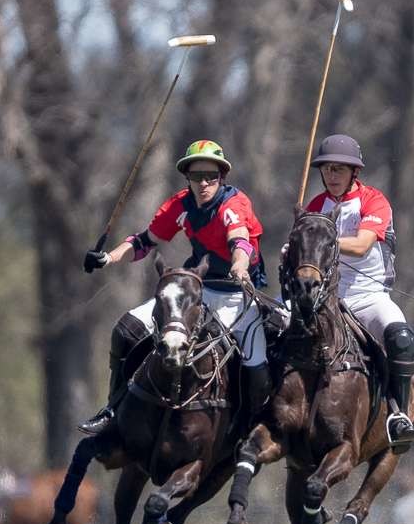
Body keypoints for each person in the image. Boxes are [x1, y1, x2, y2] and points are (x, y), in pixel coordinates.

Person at [79, 139, 271, 434]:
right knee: (125, 330)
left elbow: (240, 241)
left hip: (238, 298)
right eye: (196, 176)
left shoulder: (233, 205)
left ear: (222, 177)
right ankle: (113, 410)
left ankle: (251, 432)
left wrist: (240, 266)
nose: (204, 183)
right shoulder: (180, 205)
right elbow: (145, 241)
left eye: (211, 176)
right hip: (198, 293)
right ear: (187, 178)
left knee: (256, 368)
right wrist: (109, 257)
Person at [303, 134, 414, 448]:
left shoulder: (373, 200)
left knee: (401, 338)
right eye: (327, 169)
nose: (332, 176)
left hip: (368, 298)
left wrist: (319, 241)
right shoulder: (315, 206)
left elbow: (363, 243)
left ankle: (399, 413)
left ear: (354, 172)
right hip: (325, 301)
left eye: (340, 169)